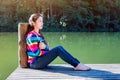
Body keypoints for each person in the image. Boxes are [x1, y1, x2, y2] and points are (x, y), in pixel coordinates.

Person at [26, 13, 91, 71]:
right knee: (58, 49)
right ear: (34, 23)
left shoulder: (39, 35)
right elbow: (37, 53)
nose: (42, 23)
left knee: (59, 48)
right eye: (40, 21)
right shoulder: (32, 36)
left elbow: (47, 48)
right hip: (35, 63)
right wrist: (46, 48)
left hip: (39, 61)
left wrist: (45, 48)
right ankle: (77, 65)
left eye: (42, 21)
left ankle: (77, 63)